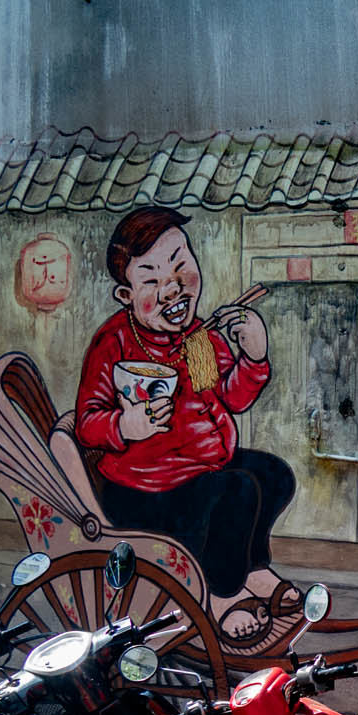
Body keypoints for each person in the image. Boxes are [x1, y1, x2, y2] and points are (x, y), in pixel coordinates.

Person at [73, 206, 297, 647]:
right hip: (144, 489)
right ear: (125, 294)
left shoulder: (198, 338)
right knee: (237, 491)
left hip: (200, 469)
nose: (173, 287)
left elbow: (228, 398)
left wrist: (254, 357)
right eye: (152, 281)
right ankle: (220, 593)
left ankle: (252, 570)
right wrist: (126, 424)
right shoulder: (115, 342)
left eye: (180, 266)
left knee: (272, 475)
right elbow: (87, 423)